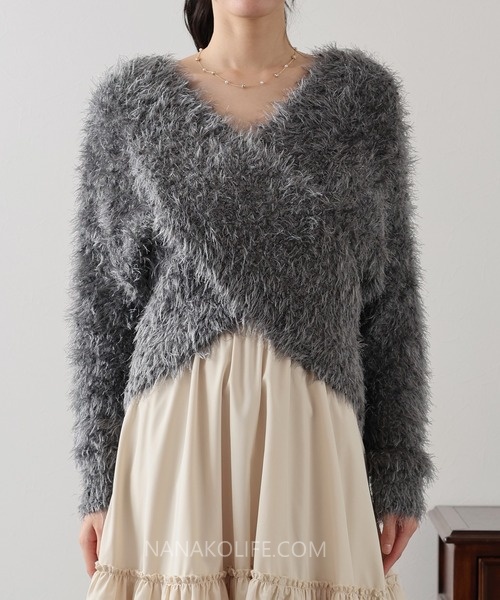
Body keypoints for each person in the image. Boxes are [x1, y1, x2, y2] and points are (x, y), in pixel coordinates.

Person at [68, 1, 437, 598]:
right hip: (180, 431)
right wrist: (97, 477)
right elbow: (103, 311)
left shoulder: (362, 100)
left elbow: (392, 299)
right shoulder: (131, 105)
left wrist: (397, 465)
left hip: (311, 425)